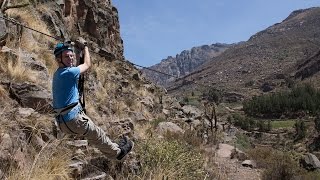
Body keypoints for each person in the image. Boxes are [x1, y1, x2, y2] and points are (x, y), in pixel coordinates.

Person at [52, 38, 133, 160]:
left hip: (63, 122)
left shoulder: (59, 73)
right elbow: (87, 65)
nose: (71, 58)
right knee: (98, 134)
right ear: (59, 60)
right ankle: (118, 154)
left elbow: (78, 68)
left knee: (95, 134)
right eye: (67, 57)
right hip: (74, 120)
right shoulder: (69, 72)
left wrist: (79, 53)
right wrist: (85, 47)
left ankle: (115, 147)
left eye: (71, 56)